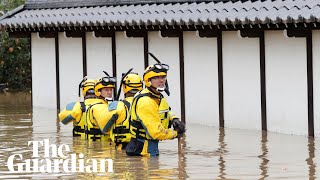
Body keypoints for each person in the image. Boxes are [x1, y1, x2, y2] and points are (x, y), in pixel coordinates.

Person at [126, 63, 185, 156]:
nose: (161, 80)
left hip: (149, 146)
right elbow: (156, 133)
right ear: (148, 80)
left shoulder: (157, 96)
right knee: (153, 170)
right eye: (156, 78)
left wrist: (174, 119)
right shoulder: (146, 102)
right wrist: (175, 134)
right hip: (143, 150)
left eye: (163, 77)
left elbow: (164, 111)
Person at [109, 72, 143, 149]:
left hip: (122, 147)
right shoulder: (148, 103)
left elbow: (105, 128)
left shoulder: (117, 105)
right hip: (142, 146)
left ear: (124, 87)